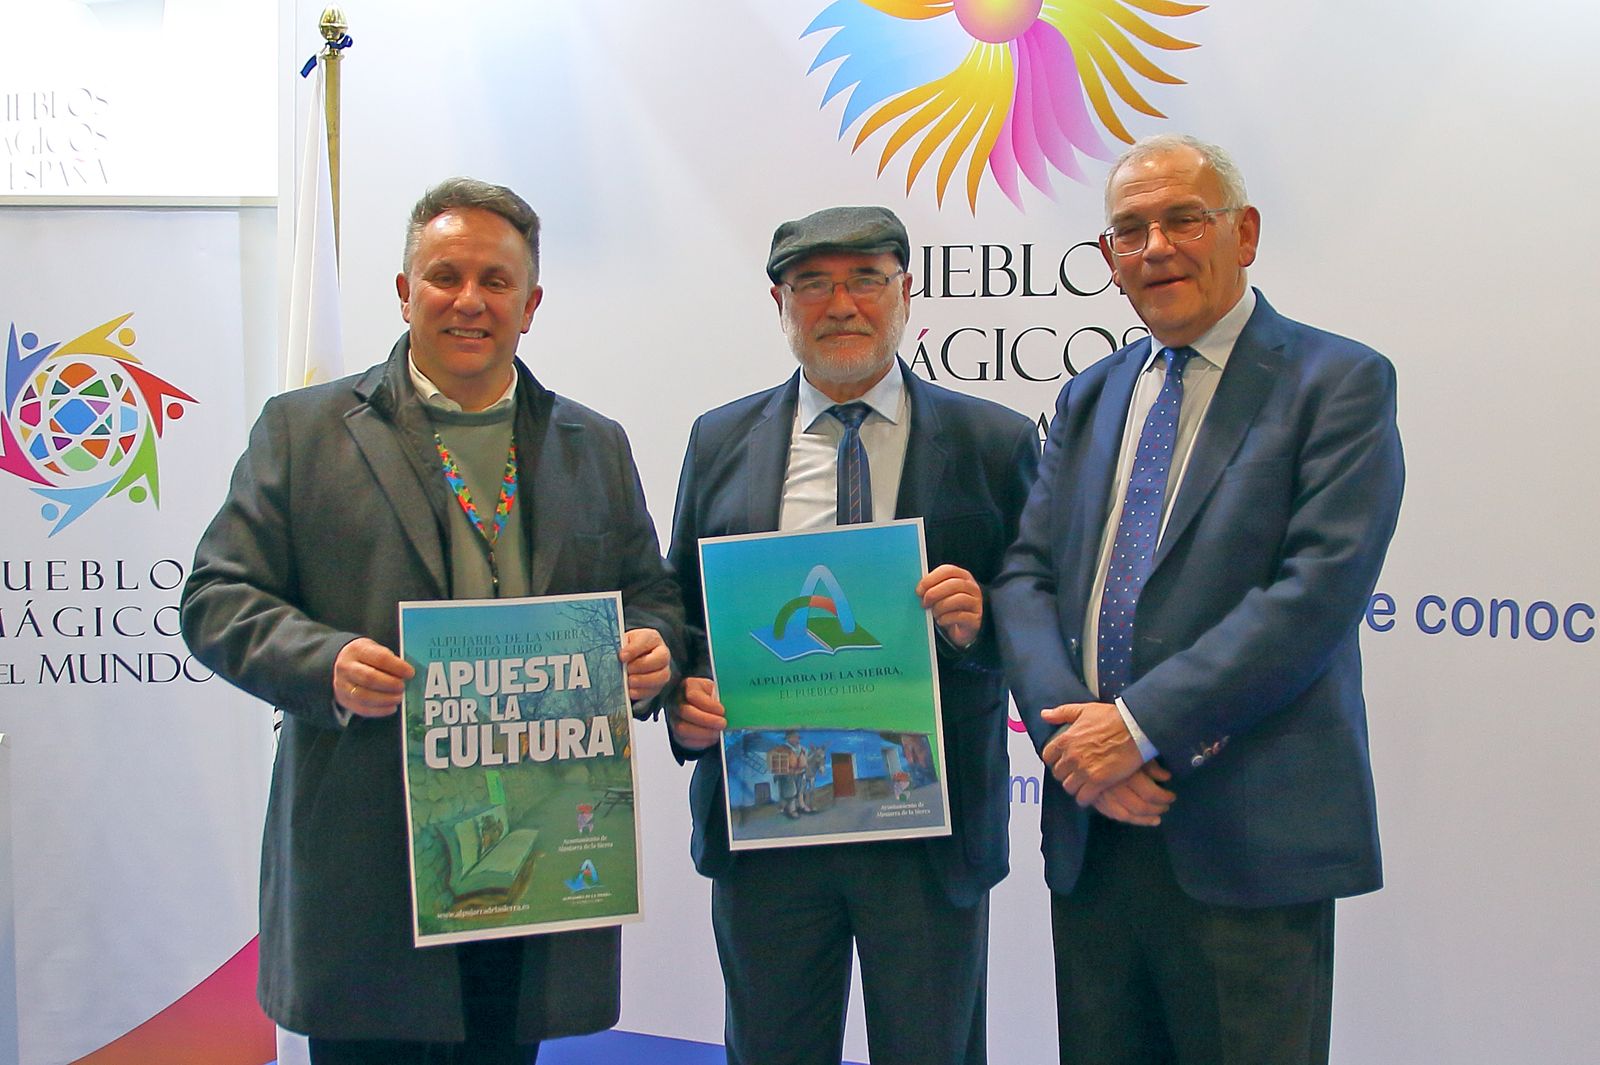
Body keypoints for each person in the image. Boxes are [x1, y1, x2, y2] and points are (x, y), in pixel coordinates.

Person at [180, 177, 684, 1065]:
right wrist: (325, 661)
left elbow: (651, 595)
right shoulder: (305, 431)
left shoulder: (591, 442)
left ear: (530, 306)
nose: (469, 300)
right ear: (405, 291)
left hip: (537, 853)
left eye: (495, 281)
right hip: (369, 861)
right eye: (444, 275)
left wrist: (654, 650)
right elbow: (216, 596)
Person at [992, 134, 1405, 1064]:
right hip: (1095, 833)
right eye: (1130, 230)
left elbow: (1316, 592)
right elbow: (1025, 576)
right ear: (1107, 260)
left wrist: (1134, 725)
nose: (1156, 247)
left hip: (1248, 837)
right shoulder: (1092, 394)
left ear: (1244, 232)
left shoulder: (1337, 382)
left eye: (1185, 218)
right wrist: (1074, 740)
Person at [665, 206, 1039, 1065]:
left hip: (926, 828)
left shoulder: (994, 440)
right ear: (779, 301)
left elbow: (1040, 610)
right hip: (768, 821)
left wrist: (981, 622)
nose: (842, 304)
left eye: (866, 279)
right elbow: (678, 602)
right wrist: (680, 692)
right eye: (814, 284)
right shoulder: (720, 438)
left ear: (905, 293)